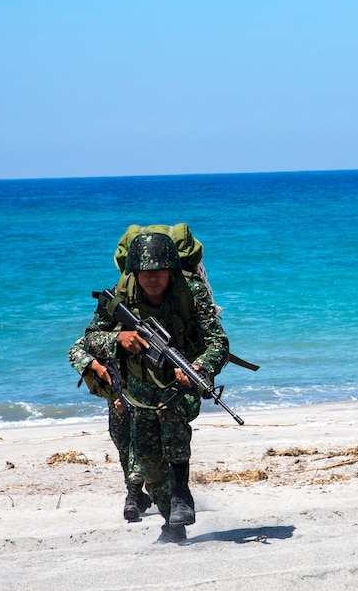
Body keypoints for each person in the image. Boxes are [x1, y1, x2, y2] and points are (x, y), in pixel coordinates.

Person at [81, 232, 229, 543]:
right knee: (148, 463)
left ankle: (181, 497)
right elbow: (91, 338)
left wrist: (202, 367)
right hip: (138, 388)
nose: (153, 279)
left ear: (172, 271)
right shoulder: (122, 296)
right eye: (146, 273)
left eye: (159, 272)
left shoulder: (192, 292)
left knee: (175, 435)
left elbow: (218, 341)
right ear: (134, 272)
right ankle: (171, 520)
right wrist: (118, 339)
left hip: (179, 381)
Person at [68, 335, 154, 522]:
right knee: (122, 443)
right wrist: (97, 367)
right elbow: (75, 351)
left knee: (139, 444)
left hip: (145, 396)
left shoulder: (146, 333)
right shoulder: (108, 332)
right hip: (115, 395)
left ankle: (132, 495)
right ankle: (138, 495)